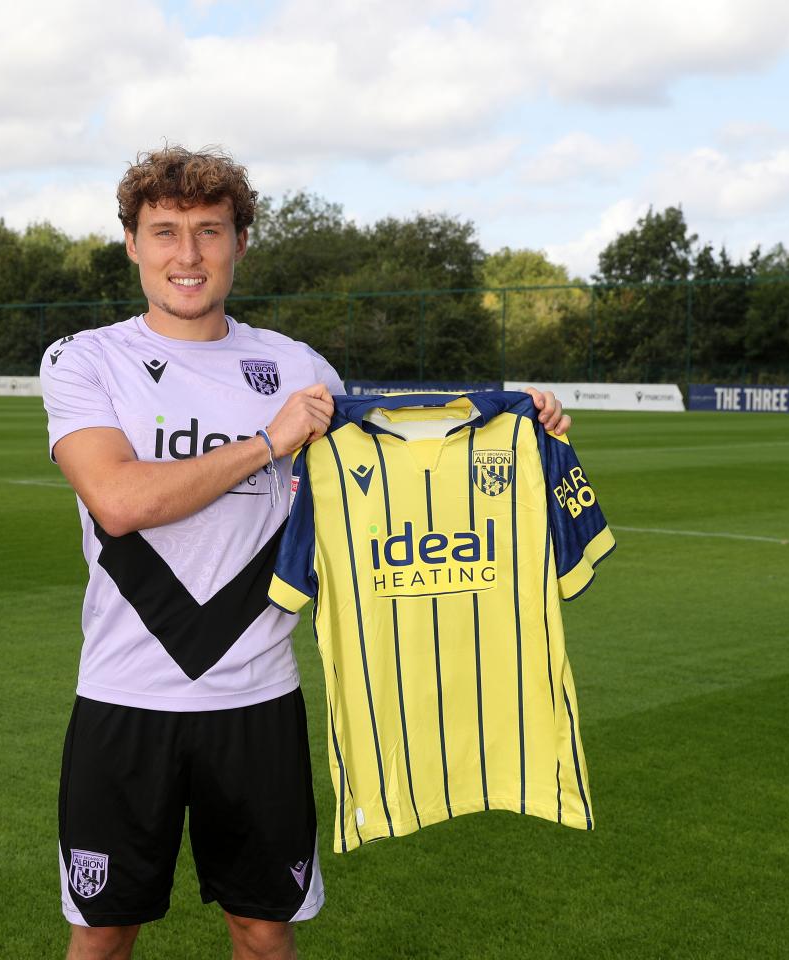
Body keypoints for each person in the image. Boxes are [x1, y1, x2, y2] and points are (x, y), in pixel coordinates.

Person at [40, 145, 569, 960]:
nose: (188, 254)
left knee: (264, 930)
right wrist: (266, 442)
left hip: (257, 701)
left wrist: (512, 422)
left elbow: (394, 464)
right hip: (125, 698)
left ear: (241, 242)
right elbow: (118, 501)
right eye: (166, 231)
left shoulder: (295, 366)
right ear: (132, 243)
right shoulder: (85, 359)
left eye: (210, 231)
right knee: (104, 934)